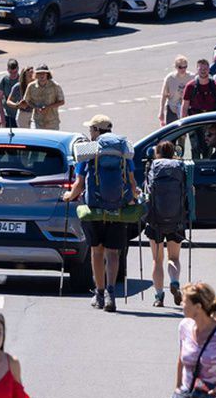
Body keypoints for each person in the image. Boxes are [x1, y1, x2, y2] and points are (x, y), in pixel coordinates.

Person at [62, 115, 140, 312]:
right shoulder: (124, 149)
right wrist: (133, 196)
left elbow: (79, 184)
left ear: (97, 130)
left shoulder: (89, 149)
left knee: (97, 251)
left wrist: (69, 196)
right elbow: (132, 181)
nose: (90, 133)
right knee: (113, 253)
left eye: (91, 129)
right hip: (118, 207)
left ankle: (99, 292)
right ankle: (111, 293)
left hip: (95, 208)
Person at [144, 141, 187, 307]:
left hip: (155, 219)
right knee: (174, 258)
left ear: (157, 153)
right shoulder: (180, 166)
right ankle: (175, 282)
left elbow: (147, 190)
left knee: (157, 259)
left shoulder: (152, 166)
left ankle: (159, 296)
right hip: (176, 218)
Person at [21, 64, 65, 130]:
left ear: (47, 74)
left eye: (43, 73)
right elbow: (27, 100)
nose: (42, 75)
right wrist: (36, 107)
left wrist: (48, 107)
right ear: (36, 75)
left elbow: (62, 101)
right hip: (37, 121)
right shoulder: (31, 86)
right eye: (39, 73)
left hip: (52, 122)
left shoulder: (55, 86)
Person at [158, 55, 193, 125]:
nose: (183, 69)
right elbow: (164, 95)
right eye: (180, 67)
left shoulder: (192, 77)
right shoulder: (170, 78)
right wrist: (161, 111)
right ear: (176, 67)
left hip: (186, 109)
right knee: (172, 132)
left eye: (185, 67)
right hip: (172, 109)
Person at [0, 59, 20, 128]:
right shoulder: (4, 80)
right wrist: (2, 117)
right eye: (11, 72)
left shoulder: (22, 79)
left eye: (15, 72)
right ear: (7, 70)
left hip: (20, 115)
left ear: (18, 68)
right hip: (8, 115)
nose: (13, 74)